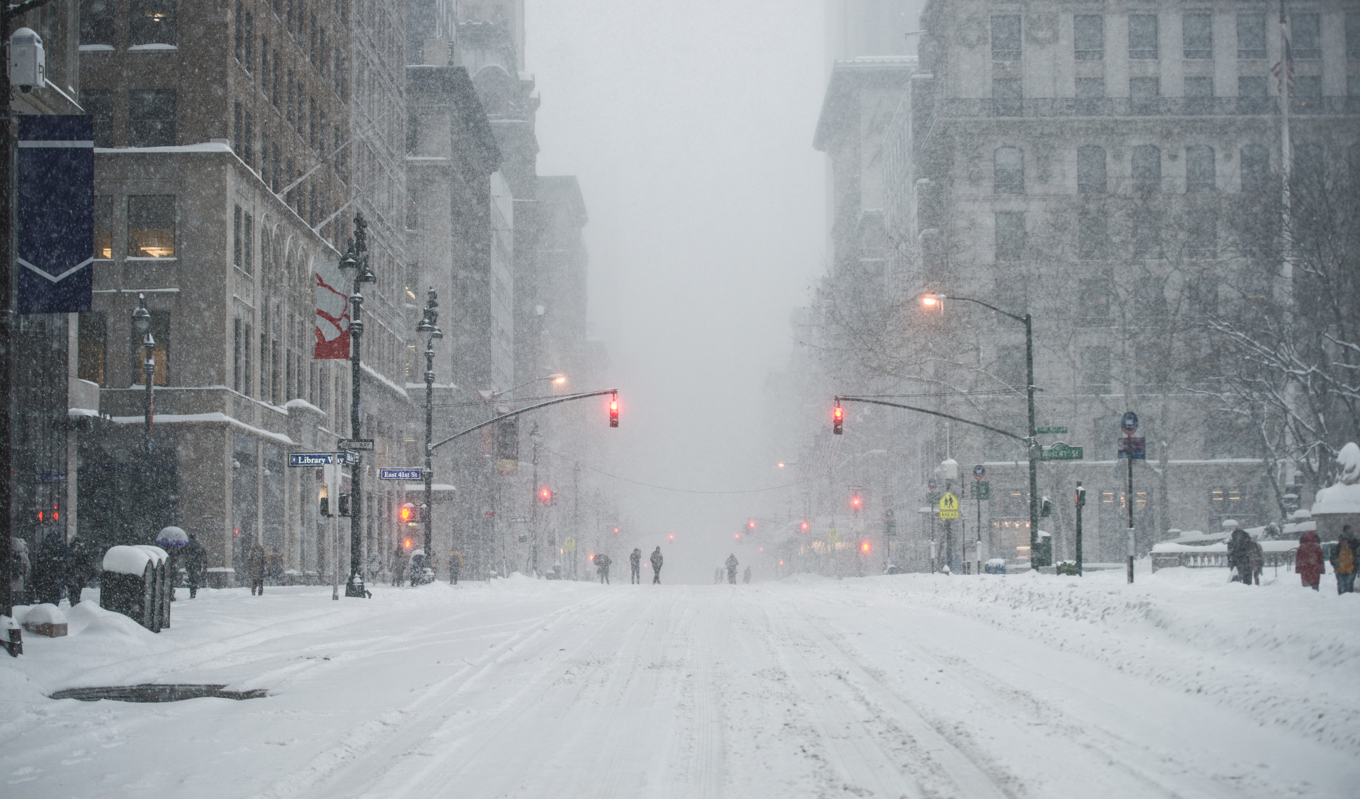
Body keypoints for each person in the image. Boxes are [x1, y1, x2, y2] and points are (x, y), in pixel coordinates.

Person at [33, 533, 68, 606]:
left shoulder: (43, 550)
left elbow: (38, 568)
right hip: (53, 581)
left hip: (44, 581)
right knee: (54, 602)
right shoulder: (58, 552)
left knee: (44, 603)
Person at [65, 534, 94, 605]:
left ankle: (74, 603)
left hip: (74, 576)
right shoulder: (82, 552)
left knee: (73, 591)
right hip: (78, 575)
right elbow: (87, 563)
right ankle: (75, 603)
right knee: (76, 592)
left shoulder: (70, 551)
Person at [1330, 525, 1357, 595]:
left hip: (1342, 569)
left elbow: (1332, 557)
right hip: (1350, 569)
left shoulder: (1338, 547)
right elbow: (1356, 557)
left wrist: (1337, 566)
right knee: (1348, 586)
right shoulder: (1354, 545)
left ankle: (1343, 599)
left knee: (1342, 587)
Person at [183, 532, 207, 599]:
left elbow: (182, 551)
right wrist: (205, 566)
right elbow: (204, 556)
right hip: (197, 565)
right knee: (195, 578)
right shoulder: (199, 545)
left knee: (190, 578)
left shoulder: (187, 545)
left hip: (189, 565)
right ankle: (194, 591)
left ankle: (191, 591)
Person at [10, 536, 31, 606]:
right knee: (18, 603)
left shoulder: (7, 554)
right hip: (20, 584)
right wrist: (26, 580)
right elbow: (28, 568)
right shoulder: (23, 555)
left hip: (9, 585)